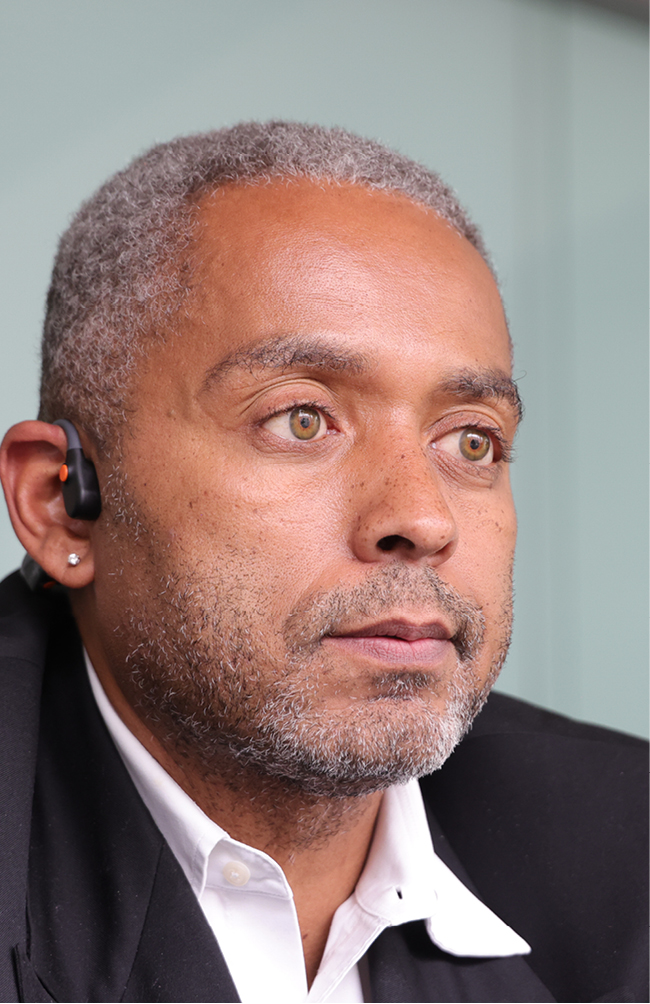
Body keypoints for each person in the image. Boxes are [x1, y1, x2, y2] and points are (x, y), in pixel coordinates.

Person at [0, 122, 645, 1004]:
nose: (422, 518)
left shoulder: (629, 857)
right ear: (59, 503)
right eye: (300, 420)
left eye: (471, 440)